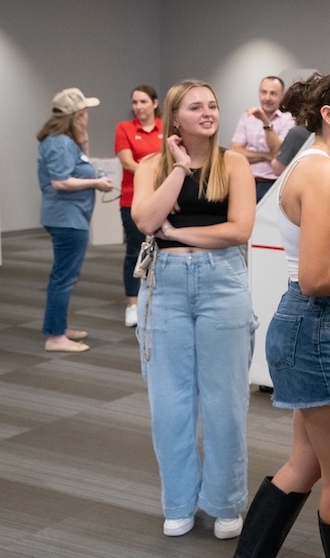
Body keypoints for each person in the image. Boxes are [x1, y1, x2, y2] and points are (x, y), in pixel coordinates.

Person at [234, 70, 330, 558]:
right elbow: (316, 276)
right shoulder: (320, 172)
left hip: (324, 327)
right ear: (328, 115)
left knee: (305, 463)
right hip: (324, 329)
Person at [132, 79, 257, 540]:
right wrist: (180, 169)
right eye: (196, 107)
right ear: (175, 117)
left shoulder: (235, 163)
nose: (208, 112)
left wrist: (180, 233)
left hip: (221, 282)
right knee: (170, 403)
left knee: (225, 402)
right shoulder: (152, 165)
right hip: (163, 285)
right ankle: (179, 501)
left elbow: (239, 229)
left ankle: (225, 502)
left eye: (213, 105)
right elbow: (146, 221)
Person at [36, 87, 114, 353]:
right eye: (84, 113)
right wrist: (97, 183)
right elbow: (60, 181)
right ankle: (56, 337)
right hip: (65, 218)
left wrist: (83, 139)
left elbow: (79, 162)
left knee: (64, 275)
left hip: (70, 216)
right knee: (64, 277)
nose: (87, 116)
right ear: (77, 115)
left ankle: (58, 326)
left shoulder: (66, 141)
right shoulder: (59, 142)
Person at [114, 84, 163, 327]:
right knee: (135, 250)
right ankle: (132, 304)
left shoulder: (166, 128)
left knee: (163, 250)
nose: (138, 107)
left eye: (143, 101)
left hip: (164, 199)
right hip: (132, 198)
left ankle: (157, 300)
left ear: (154, 103)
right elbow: (127, 162)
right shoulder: (124, 129)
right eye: (135, 102)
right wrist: (155, 173)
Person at [231, 75, 294, 201]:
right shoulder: (247, 117)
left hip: (273, 184)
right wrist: (264, 156)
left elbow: (277, 153)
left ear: (282, 96)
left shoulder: (289, 120)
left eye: (273, 93)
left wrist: (265, 122)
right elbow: (235, 151)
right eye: (263, 92)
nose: (267, 98)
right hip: (246, 180)